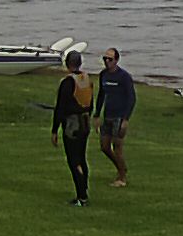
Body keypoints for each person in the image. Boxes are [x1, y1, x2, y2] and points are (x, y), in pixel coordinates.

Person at [50, 51, 95, 206]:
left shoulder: (67, 82)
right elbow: (91, 103)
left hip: (72, 125)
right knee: (81, 158)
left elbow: (60, 107)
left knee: (73, 160)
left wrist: (55, 129)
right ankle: (84, 190)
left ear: (67, 64)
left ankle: (81, 196)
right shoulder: (86, 79)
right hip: (85, 122)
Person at [94, 47, 136, 187]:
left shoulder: (124, 77)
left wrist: (126, 119)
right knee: (104, 147)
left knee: (117, 147)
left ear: (116, 60)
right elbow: (101, 95)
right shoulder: (103, 75)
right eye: (105, 59)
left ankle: (122, 178)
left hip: (119, 116)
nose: (107, 61)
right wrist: (96, 115)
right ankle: (121, 167)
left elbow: (131, 98)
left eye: (110, 59)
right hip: (108, 115)